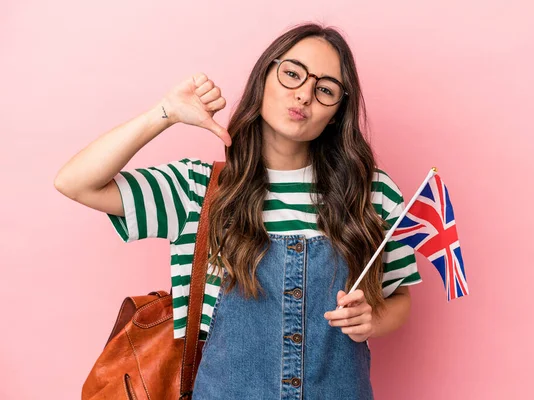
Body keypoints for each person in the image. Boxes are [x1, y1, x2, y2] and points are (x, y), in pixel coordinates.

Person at [55, 22, 422, 400]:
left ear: (337, 111)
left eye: (325, 89)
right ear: (263, 78)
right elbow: (76, 182)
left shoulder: (371, 193)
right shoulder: (198, 190)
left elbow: (399, 299)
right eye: (292, 74)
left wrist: (370, 320)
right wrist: (165, 113)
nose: (304, 95)